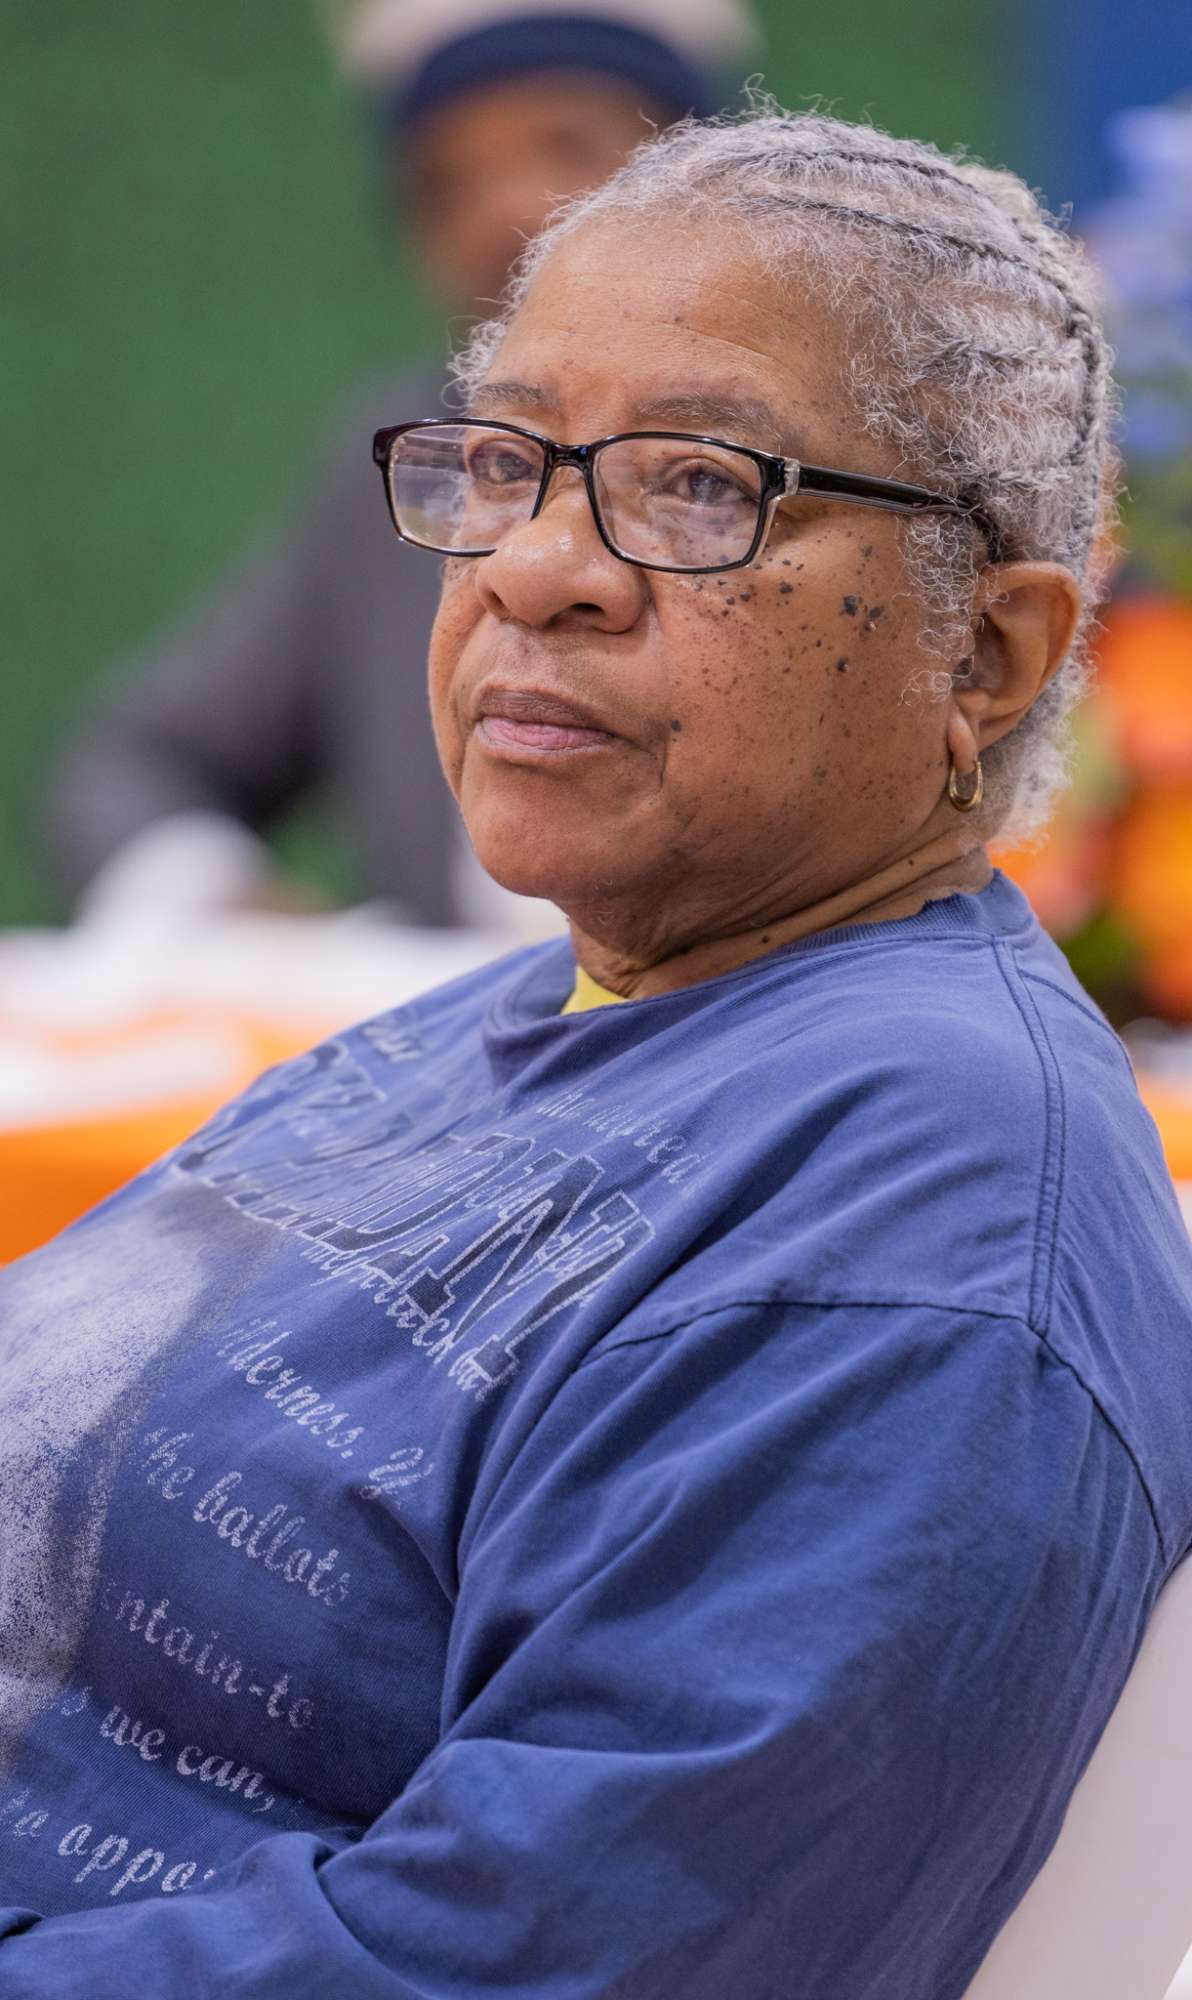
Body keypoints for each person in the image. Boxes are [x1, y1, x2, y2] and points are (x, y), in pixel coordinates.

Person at [3, 100, 1191, 2000]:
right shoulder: (540, 1007)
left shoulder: (928, 1224)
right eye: (503, 461)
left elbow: (519, 1964)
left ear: (986, 654)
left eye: (700, 485)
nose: (537, 567)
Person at [45, 0, 754, 928]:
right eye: (443, 187)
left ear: (703, 184)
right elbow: (138, 765)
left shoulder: (814, 454)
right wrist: (229, 912)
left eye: (565, 147)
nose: (500, 215)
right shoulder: (405, 463)